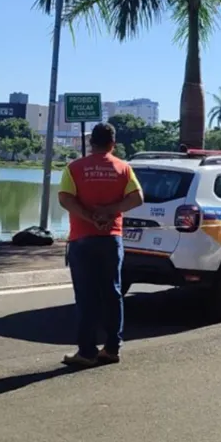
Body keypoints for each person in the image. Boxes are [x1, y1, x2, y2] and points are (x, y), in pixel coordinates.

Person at [57, 122, 144, 368]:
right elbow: (137, 197)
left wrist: (89, 217)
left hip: (82, 238)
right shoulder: (123, 168)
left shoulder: (74, 168)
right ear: (113, 144)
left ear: (91, 142)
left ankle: (86, 351)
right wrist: (109, 212)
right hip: (111, 238)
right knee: (112, 293)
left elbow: (65, 198)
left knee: (86, 296)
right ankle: (112, 348)